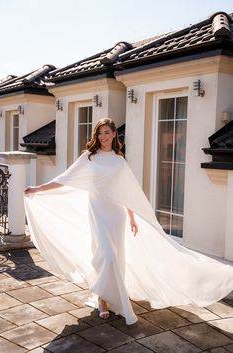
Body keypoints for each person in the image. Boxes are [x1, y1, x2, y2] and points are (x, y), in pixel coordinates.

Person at [24, 118, 233, 325]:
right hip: (97, 211)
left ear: (114, 134)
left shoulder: (119, 161)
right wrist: (37, 189)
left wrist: (132, 217)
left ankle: (104, 297)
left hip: (117, 214)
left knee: (115, 256)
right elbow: (64, 178)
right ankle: (102, 299)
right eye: (100, 133)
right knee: (105, 254)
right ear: (96, 136)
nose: (103, 136)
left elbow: (127, 193)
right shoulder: (89, 157)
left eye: (107, 132)